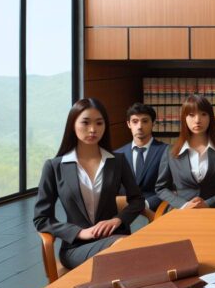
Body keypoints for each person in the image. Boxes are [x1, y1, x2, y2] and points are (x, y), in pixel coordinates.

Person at [33, 98, 144, 269]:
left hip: (115, 237)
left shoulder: (118, 161)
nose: (93, 129)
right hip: (77, 247)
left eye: (99, 123)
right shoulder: (54, 167)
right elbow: (42, 218)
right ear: (72, 125)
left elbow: (137, 200)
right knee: (128, 251)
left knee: (125, 251)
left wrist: (117, 220)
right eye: (85, 123)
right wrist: (79, 232)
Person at [155, 95, 215, 210]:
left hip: (213, 211)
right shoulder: (171, 151)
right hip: (181, 213)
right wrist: (184, 205)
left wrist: (208, 203)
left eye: (203, 114)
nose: (197, 120)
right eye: (191, 115)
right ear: (184, 118)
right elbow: (161, 188)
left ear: (210, 117)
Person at [112, 103, 169, 211]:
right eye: (135, 121)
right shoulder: (117, 154)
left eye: (145, 121)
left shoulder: (166, 151)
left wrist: (145, 205)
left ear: (153, 123)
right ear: (128, 124)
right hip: (125, 212)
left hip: (155, 211)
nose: (139, 126)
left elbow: (170, 188)